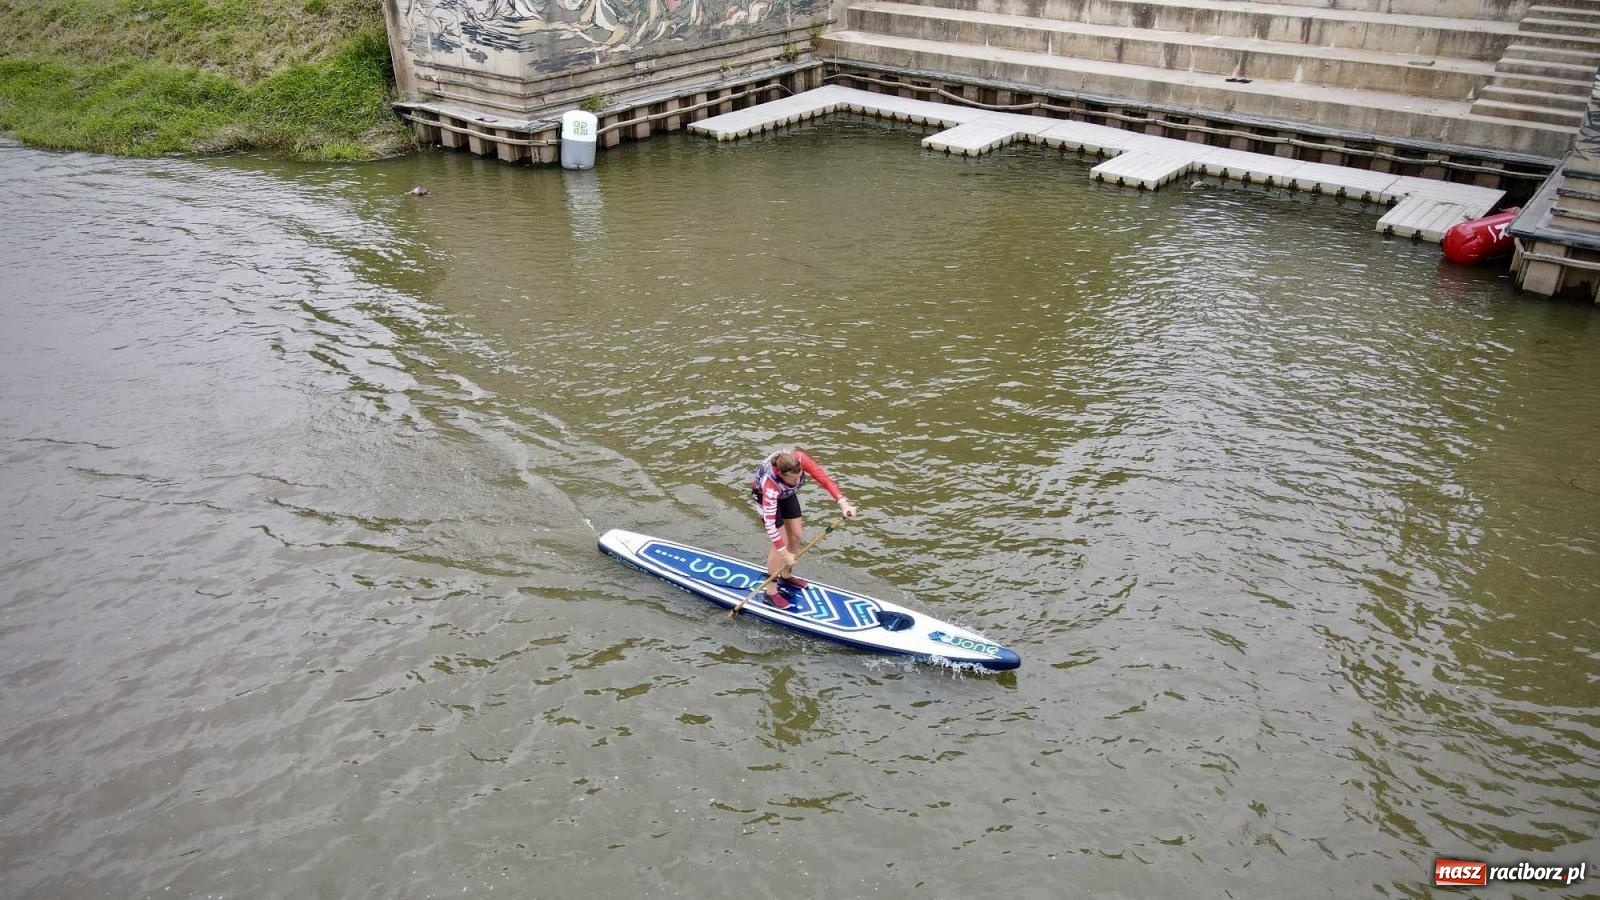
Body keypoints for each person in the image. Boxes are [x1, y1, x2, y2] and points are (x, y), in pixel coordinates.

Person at [749, 447, 857, 609]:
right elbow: (771, 526)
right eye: (794, 479)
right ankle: (770, 592)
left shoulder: (799, 459)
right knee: (780, 544)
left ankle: (785, 575)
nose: (797, 481)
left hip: (786, 493)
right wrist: (785, 553)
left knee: (797, 535)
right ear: (781, 475)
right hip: (765, 496)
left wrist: (843, 504)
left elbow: (825, 480)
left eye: (800, 476)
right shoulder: (770, 488)